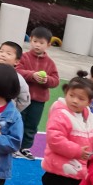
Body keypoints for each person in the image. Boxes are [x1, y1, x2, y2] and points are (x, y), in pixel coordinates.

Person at [14, 26, 60, 159]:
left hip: (38, 100)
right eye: (35, 41)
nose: (37, 45)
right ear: (30, 41)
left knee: (32, 124)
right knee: (18, 121)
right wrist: (32, 75)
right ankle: (15, 145)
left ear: (48, 45)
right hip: (22, 98)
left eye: (41, 43)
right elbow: (17, 71)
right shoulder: (24, 57)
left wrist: (46, 80)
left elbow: (55, 80)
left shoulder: (50, 63)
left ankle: (25, 147)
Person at [0, 40, 31, 111]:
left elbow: (24, 100)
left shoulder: (18, 78)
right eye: (1, 51)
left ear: (16, 61)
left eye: (8, 54)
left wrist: (13, 111)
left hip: (5, 113)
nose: (3, 55)